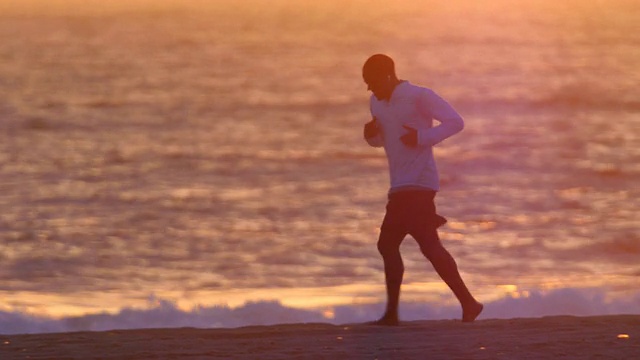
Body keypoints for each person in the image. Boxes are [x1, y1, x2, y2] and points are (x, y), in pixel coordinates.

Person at [362, 54, 483, 325]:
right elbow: (385, 142)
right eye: (366, 84)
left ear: (388, 76)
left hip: (419, 182)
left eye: (372, 82)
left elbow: (456, 122)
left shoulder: (418, 95)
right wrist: (371, 135)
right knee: (426, 246)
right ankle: (469, 303)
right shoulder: (376, 103)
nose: (370, 89)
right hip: (399, 184)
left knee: (389, 244)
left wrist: (421, 137)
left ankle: (393, 314)